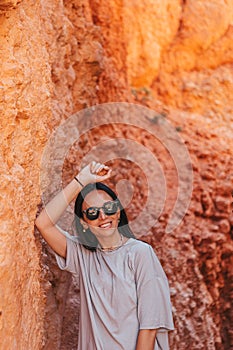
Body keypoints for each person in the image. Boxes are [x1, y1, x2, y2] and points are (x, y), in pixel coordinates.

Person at [35, 161, 174, 350]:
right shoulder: (82, 255)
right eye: (92, 212)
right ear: (84, 222)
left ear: (118, 212)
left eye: (109, 208)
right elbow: (44, 223)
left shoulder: (140, 253)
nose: (103, 217)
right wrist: (81, 180)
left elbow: (149, 326)